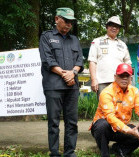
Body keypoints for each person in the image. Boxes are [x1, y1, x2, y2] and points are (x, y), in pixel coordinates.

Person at [39, 8, 83, 157]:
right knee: (53, 122)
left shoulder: (75, 40)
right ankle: (54, 153)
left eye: (71, 21)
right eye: (66, 20)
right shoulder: (46, 37)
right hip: (53, 86)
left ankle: (70, 152)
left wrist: (73, 73)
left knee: (72, 122)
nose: (69, 24)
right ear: (57, 19)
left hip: (72, 87)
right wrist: (66, 75)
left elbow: (79, 61)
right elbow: (48, 60)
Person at [90, 63, 139, 157]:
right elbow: (110, 117)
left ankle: (121, 149)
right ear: (115, 77)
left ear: (131, 78)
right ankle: (105, 154)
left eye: (127, 76)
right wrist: (130, 131)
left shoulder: (135, 91)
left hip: (122, 128)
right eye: (121, 75)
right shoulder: (106, 92)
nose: (124, 78)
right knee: (102, 125)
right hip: (106, 128)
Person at [88, 16, 131, 98]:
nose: (114, 28)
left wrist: (128, 81)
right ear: (107, 27)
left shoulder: (123, 44)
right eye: (112, 25)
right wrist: (93, 80)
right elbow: (92, 61)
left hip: (120, 82)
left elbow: (128, 63)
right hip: (102, 83)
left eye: (117, 26)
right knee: (105, 109)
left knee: (121, 108)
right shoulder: (97, 42)